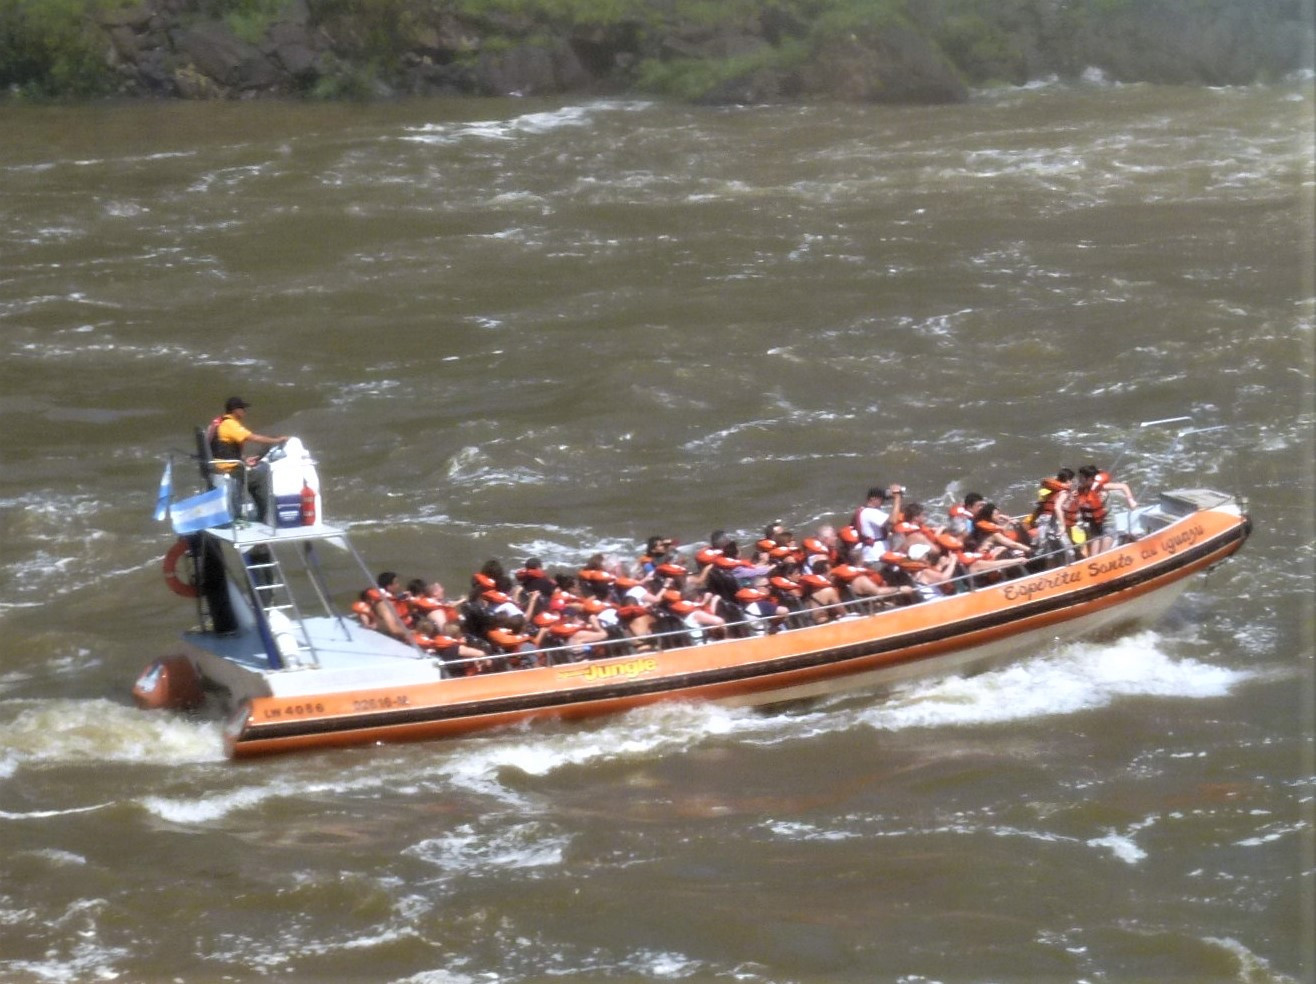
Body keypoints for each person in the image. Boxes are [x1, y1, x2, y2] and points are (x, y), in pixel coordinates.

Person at [206, 397, 288, 523]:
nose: (245, 411)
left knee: (252, 470)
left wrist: (244, 460)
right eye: (242, 408)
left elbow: (223, 449)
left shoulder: (219, 422)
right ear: (235, 410)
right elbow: (253, 437)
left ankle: (245, 509)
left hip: (222, 465)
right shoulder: (230, 424)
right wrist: (277, 440)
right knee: (262, 471)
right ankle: (264, 515)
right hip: (230, 469)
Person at [1062, 464, 1138, 556]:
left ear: (1089, 479)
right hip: (1094, 525)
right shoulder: (1080, 491)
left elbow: (1123, 486)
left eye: (1082, 477)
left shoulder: (1102, 487)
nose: (1079, 479)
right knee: (1094, 556)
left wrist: (1130, 500)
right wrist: (1068, 500)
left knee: (1103, 555)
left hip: (1108, 524)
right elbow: (1067, 506)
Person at [854, 484, 904, 567]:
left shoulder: (864, 511)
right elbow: (893, 520)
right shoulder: (870, 512)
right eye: (881, 499)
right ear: (872, 499)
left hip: (872, 554)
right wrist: (897, 498)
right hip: (877, 557)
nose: (882, 502)